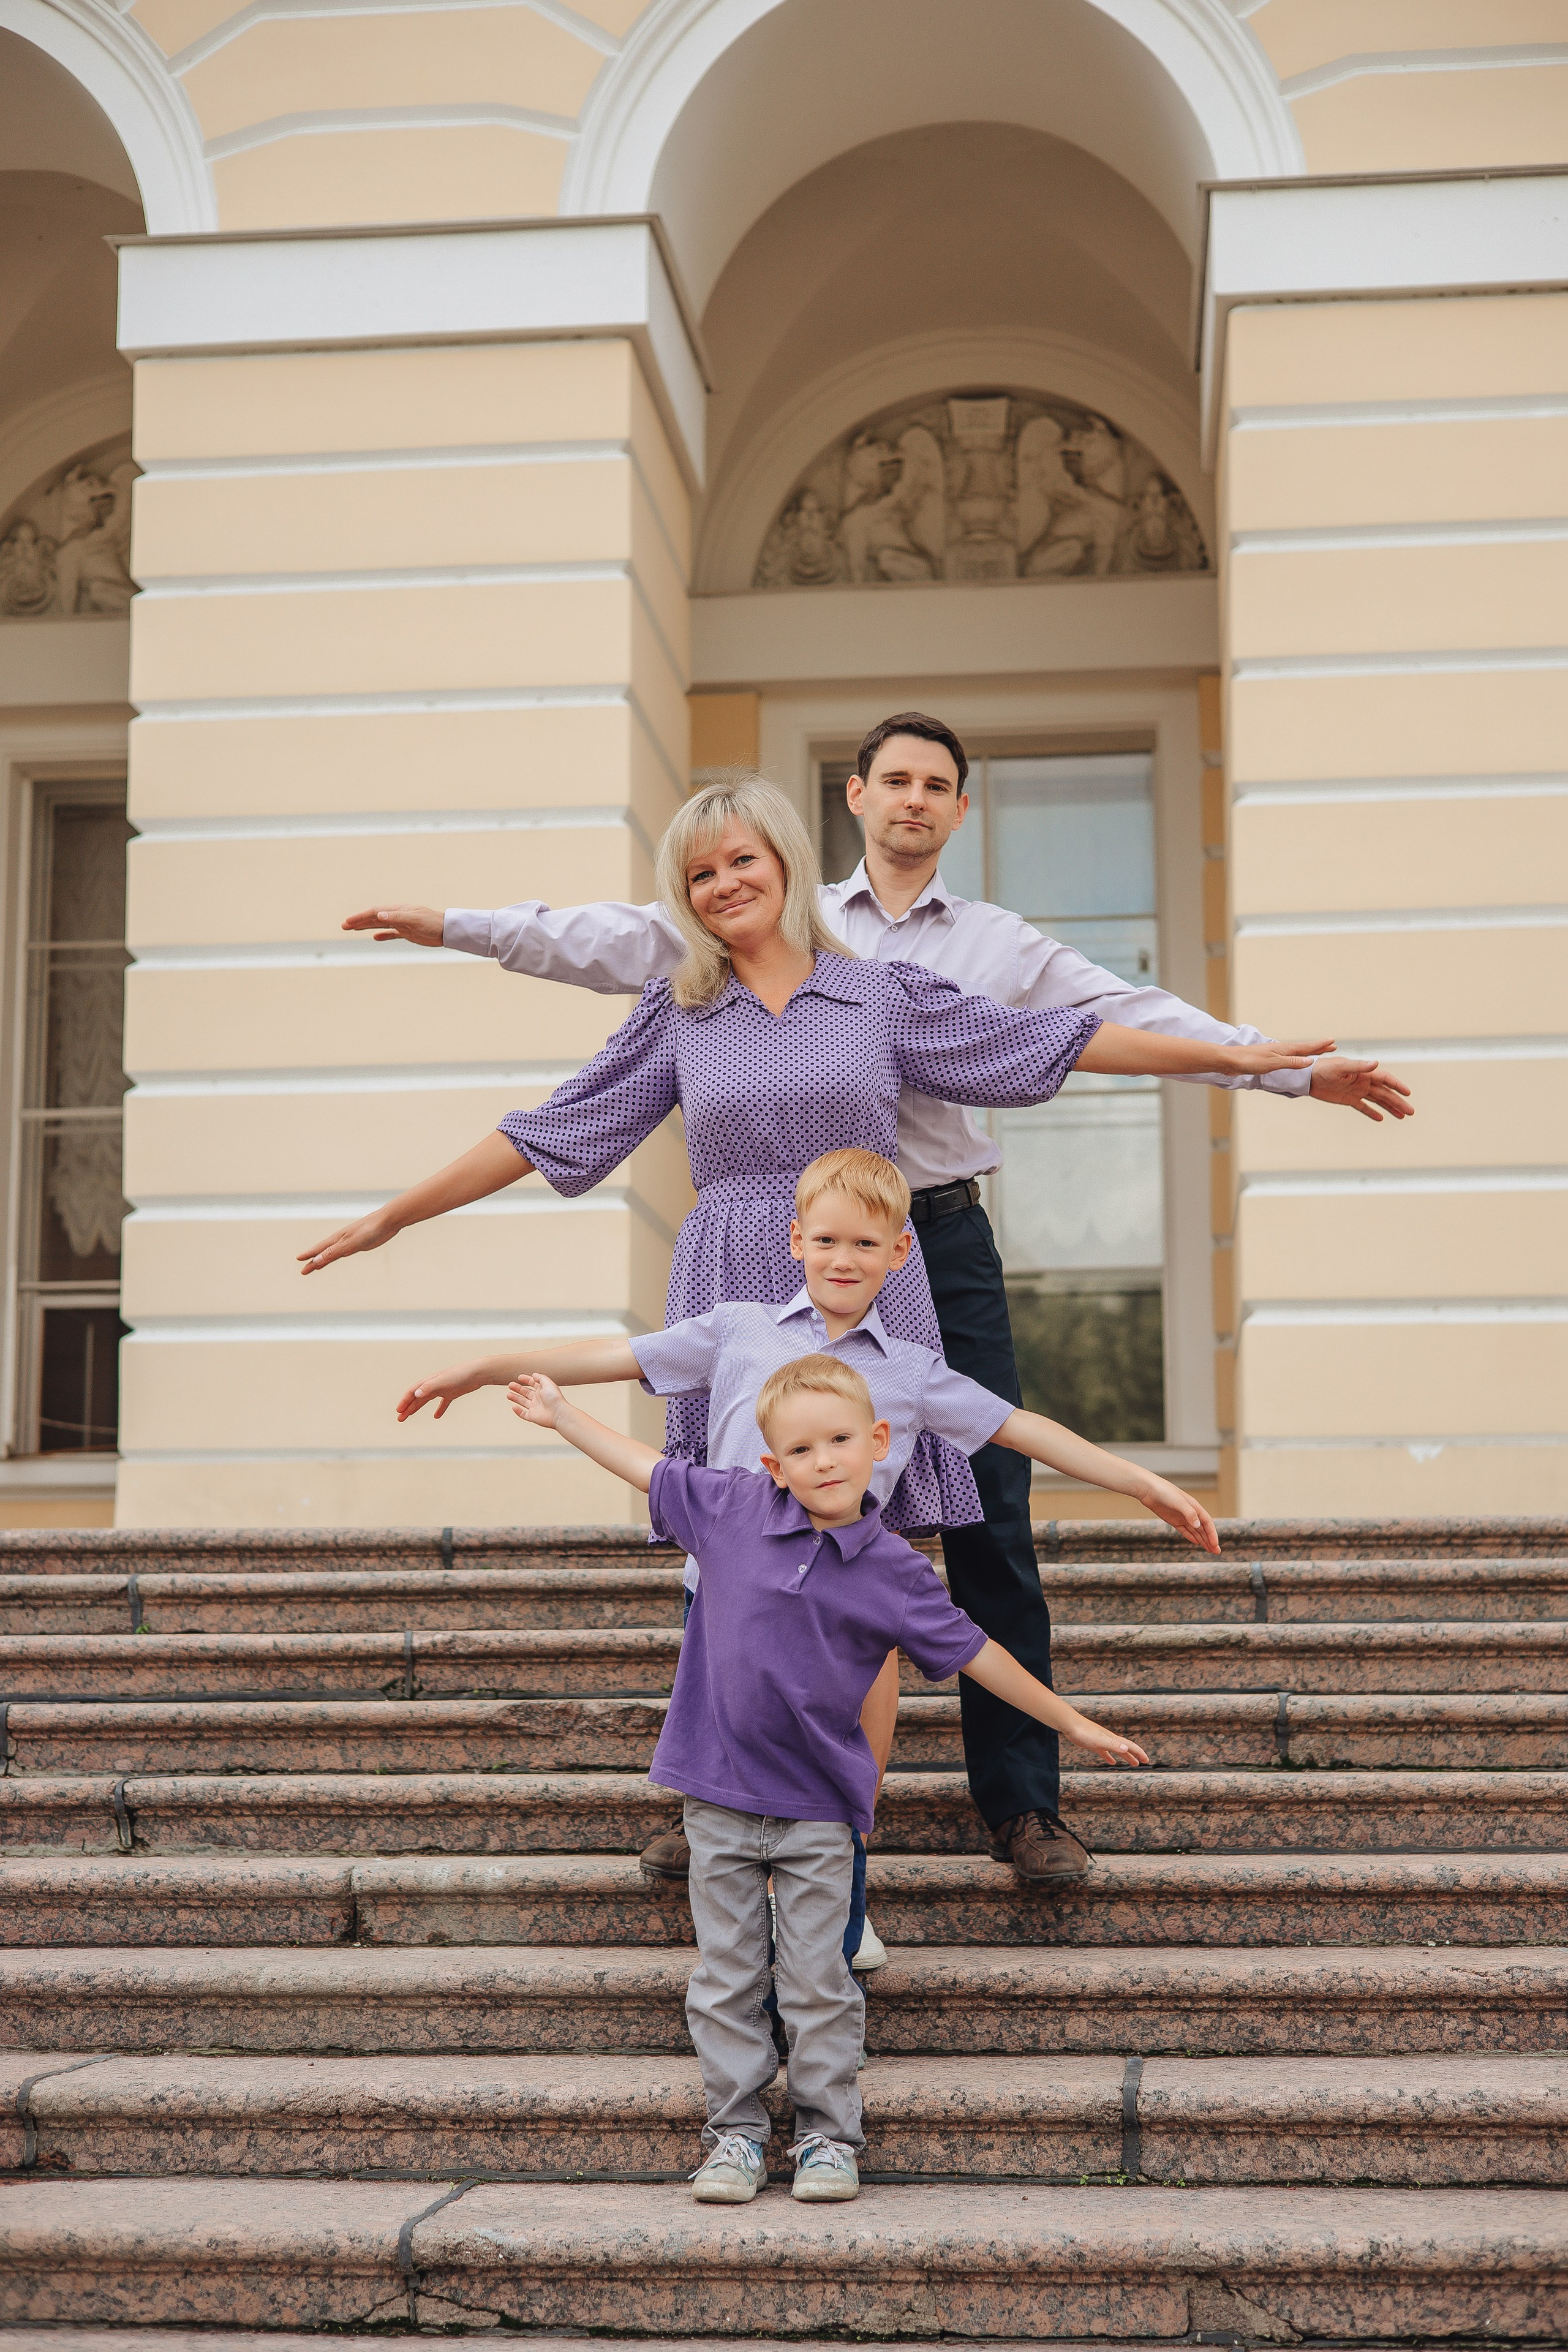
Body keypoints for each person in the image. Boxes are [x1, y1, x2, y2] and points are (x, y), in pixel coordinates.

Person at [307, 769, 1327, 1881]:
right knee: (731, 1552)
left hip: (862, 1282)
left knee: (862, 1550)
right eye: (698, 874)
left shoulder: (880, 994)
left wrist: (1243, 1062)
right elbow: (555, 1128)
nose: (723, 884)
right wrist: (392, 1218)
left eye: (741, 859)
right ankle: (726, 1794)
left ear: (788, 863)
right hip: (735, 1284)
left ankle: (839, 1825)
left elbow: (1060, 1041)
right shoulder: (681, 1010)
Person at [398, 1144, 1218, 1960]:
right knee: (737, 1751)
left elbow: (1020, 1428)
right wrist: (482, 1368)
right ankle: (738, 1900)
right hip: (734, 1583)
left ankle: (844, 1899)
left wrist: (1141, 1482)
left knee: (851, 1767)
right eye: (826, 1240)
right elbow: (606, 1360)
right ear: (795, 1241)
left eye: (866, 1243)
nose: (843, 1258)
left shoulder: (911, 1370)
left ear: (901, 1253)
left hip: (850, 1598)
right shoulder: (739, 1330)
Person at [508, 1350, 1152, 2203]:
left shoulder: (893, 1571)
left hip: (818, 1811)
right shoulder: (731, 1508)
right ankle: (735, 2136)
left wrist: (1069, 1721)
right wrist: (562, 1415)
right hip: (720, 1798)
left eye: (840, 1440)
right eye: (802, 1451)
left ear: (878, 1441)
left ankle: (826, 2139)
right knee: (728, 1980)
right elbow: (645, 1466)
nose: (824, 1461)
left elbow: (977, 1654)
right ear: (773, 1464)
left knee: (819, 1982)